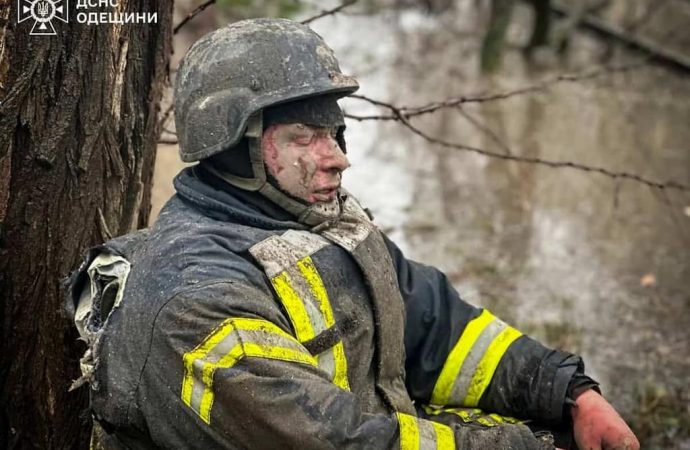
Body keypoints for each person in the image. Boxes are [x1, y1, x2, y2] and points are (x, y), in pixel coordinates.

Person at [66, 18, 639, 450]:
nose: (338, 160)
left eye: (335, 134)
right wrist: (529, 445)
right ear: (233, 144)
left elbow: (437, 328)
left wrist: (567, 393)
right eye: (304, 137)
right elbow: (336, 441)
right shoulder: (194, 300)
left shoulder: (319, 222)